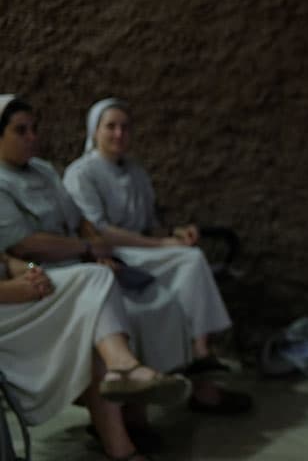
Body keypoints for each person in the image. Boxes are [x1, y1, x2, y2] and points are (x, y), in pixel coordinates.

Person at [61, 97, 252, 416]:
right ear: (94, 131)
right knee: (189, 260)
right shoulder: (81, 174)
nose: (119, 134)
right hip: (112, 253)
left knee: (187, 267)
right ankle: (198, 352)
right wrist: (162, 245)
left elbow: (150, 223)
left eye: (125, 127)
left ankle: (199, 358)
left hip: (142, 249)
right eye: (111, 126)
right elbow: (98, 231)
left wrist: (175, 234)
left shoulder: (135, 172)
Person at [0, 252, 190, 461]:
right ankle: (124, 370)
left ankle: (121, 444)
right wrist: (9, 290)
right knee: (95, 281)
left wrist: (30, 270)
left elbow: (5, 259)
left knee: (95, 305)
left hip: (16, 293)